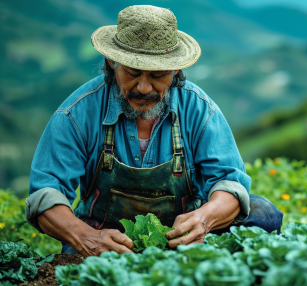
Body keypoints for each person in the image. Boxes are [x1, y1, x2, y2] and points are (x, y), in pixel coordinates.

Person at [25, 5, 283, 257]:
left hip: (182, 241)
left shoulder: (199, 109)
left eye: (158, 75)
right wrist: (86, 237)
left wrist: (203, 219)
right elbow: (46, 195)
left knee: (263, 214)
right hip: (103, 242)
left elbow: (229, 183)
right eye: (133, 73)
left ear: (176, 69)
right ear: (111, 62)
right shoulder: (76, 114)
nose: (145, 88)